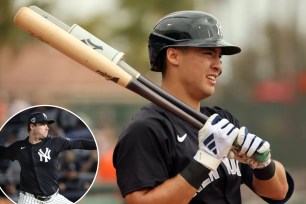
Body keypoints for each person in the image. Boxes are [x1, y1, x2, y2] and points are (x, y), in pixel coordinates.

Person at [113, 11, 294, 204]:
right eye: (208, 53)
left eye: (219, 57)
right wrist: (203, 162)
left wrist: (263, 165)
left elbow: (278, 192)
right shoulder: (147, 128)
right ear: (173, 56)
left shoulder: (222, 120)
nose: (219, 66)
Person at [0, 112, 97, 204]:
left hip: (53, 198)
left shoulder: (55, 142)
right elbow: (3, 152)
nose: (47, 127)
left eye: (47, 124)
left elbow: (80, 143)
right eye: (42, 124)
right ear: (32, 126)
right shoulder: (19, 147)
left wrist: (96, 145)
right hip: (29, 199)